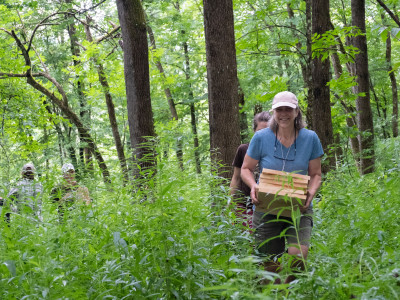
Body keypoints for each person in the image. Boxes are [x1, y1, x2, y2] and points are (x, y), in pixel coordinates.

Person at [241, 91, 323, 284]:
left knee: (299, 255)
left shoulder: (310, 138)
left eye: (288, 109)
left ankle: (290, 288)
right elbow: (246, 168)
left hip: (298, 206)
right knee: (270, 264)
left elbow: (316, 174)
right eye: (279, 109)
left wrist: (311, 192)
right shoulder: (261, 137)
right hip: (266, 206)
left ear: (297, 112)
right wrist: (253, 186)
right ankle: (275, 292)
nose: (284, 113)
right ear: (274, 112)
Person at [229, 111, 270, 228]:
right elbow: (236, 177)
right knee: (247, 240)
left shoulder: (275, 152)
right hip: (244, 204)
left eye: (268, 131)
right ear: (254, 131)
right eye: (260, 131)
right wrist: (230, 203)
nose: (263, 135)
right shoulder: (244, 149)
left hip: (267, 206)